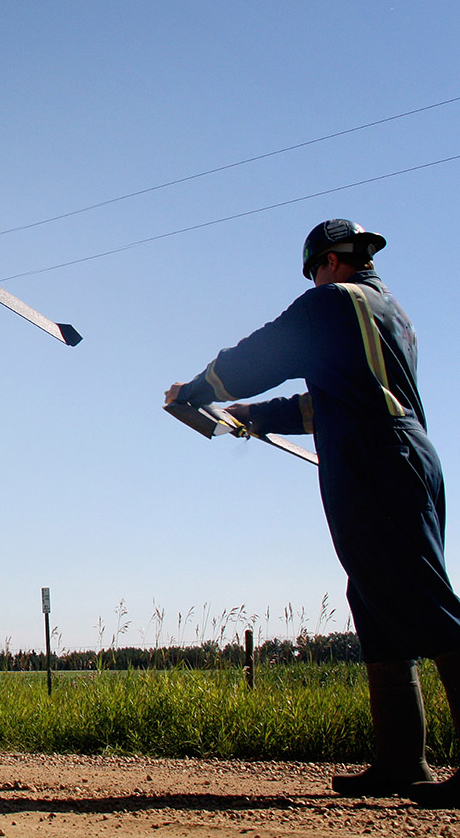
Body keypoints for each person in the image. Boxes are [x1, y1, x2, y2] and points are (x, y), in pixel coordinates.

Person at [164, 219, 460, 806]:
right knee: (376, 598)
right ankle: (402, 763)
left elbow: (264, 353)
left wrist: (202, 388)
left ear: (326, 262)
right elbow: (327, 402)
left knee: (423, 599)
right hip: (391, 450)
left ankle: (408, 760)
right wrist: (257, 415)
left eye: (314, 270)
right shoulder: (388, 313)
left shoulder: (332, 303)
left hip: (378, 456)